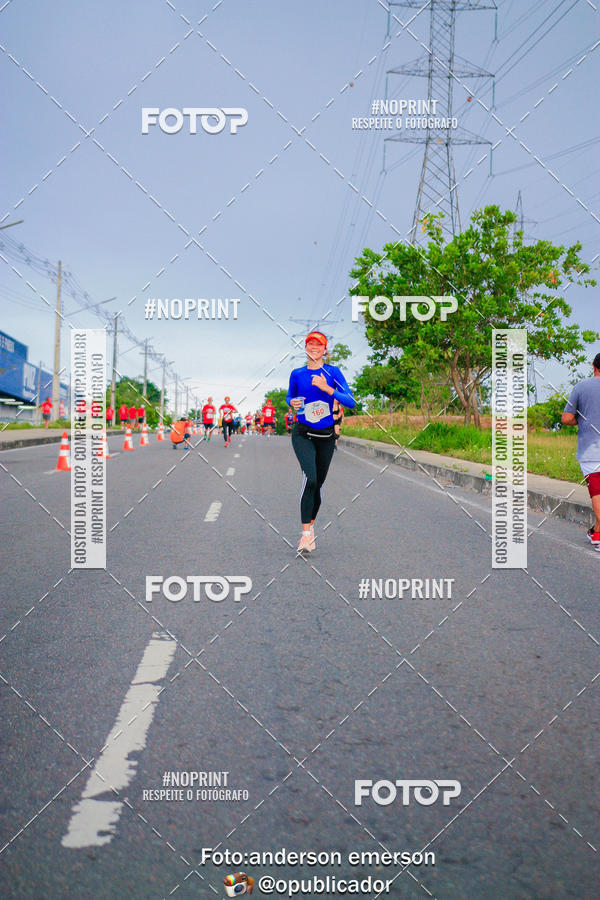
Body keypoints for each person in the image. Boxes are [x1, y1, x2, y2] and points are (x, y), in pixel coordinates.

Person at [287, 331, 355, 552]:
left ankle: (311, 527)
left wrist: (327, 388)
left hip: (326, 435)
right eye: (310, 344)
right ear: (306, 348)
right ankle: (305, 535)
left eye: (318, 345)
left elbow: (351, 401)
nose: (314, 347)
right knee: (311, 478)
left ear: (325, 350)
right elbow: (290, 396)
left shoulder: (333, 372)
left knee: (319, 484)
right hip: (303, 433)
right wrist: (293, 402)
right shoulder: (297, 374)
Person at [562, 352, 600, 549]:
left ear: (593, 366)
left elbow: (566, 418)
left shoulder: (581, 387)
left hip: (590, 452)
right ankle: (596, 533)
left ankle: (597, 534)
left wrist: (583, 421)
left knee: (597, 493)